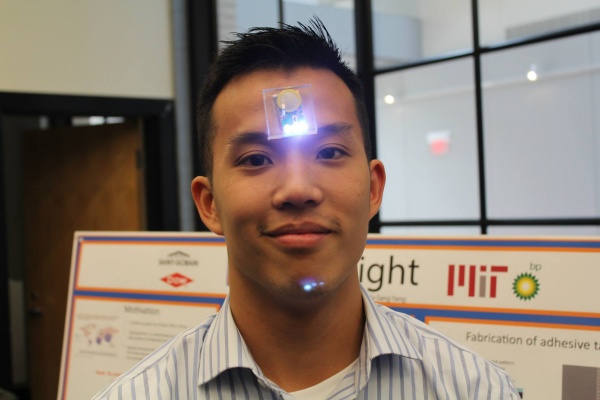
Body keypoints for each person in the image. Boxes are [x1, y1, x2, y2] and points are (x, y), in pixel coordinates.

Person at [91, 19, 520, 399]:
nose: (298, 189)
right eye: (256, 159)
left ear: (374, 188)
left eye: (330, 152)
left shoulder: (474, 389)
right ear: (209, 204)